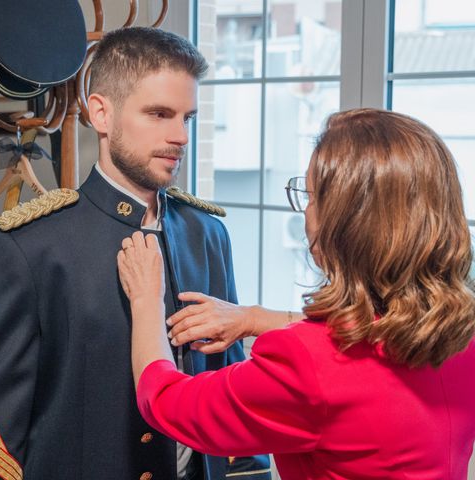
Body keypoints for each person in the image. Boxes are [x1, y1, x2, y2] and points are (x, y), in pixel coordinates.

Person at [0, 27, 269, 480]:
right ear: (101, 113)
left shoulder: (208, 235)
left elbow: (230, 384)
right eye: (159, 114)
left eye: (187, 118)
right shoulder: (30, 248)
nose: (179, 135)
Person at [118, 108, 475, 480]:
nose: (306, 212)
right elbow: (372, 335)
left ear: (344, 223)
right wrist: (254, 318)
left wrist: (146, 302)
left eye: (313, 197)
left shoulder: (307, 365)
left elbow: (167, 403)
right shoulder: (461, 332)